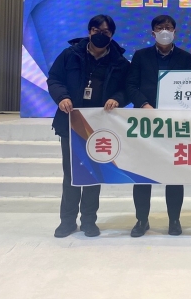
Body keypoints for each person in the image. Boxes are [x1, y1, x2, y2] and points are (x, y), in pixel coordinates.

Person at [47, 14, 130, 238]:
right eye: (96, 30)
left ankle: (89, 221)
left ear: (112, 35)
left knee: (93, 173)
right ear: (89, 31)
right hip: (71, 122)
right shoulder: (70, 54)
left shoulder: (120, 62)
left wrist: (117, 99)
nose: (100, 35)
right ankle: (67, 221)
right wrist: (62, 97)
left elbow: (126, 89)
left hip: (99, 126)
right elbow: (54, 79)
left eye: (105, 32)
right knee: (71, 174)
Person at [125, 15, 191, 237]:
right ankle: (141, 220)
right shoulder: (140, 55)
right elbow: (131, 85)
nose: (165, 31)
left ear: (174, 31)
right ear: (153, 32)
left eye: (168, 27)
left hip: (174, 124)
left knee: (174, 174)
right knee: (142, 173)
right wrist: (144, 104)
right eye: (160, 27)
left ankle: (174, 219)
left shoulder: (186, 58)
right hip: (146, 122)